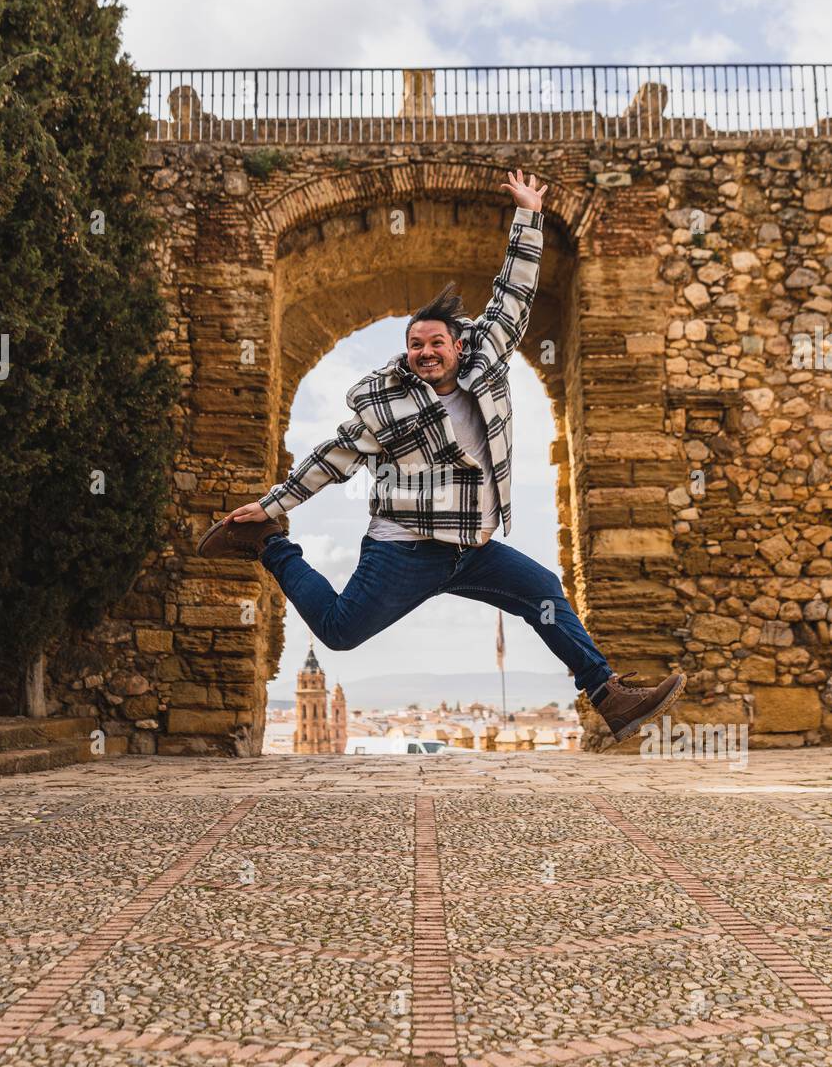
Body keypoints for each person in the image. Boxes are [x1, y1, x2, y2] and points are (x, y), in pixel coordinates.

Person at [198, 169, 685, 743]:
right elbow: (333, 456)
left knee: (544, 594)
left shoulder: (487, 357)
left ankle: (608, 694)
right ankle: (270, 546)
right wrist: (271, 505)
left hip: (472, 547)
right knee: (338, 632)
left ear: (457, 344)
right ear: (407, 353)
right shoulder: (388, 400)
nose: (425, 353)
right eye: (415, 346)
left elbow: (514, 294)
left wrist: (528, 216)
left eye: (435, 343)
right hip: (403, 549)